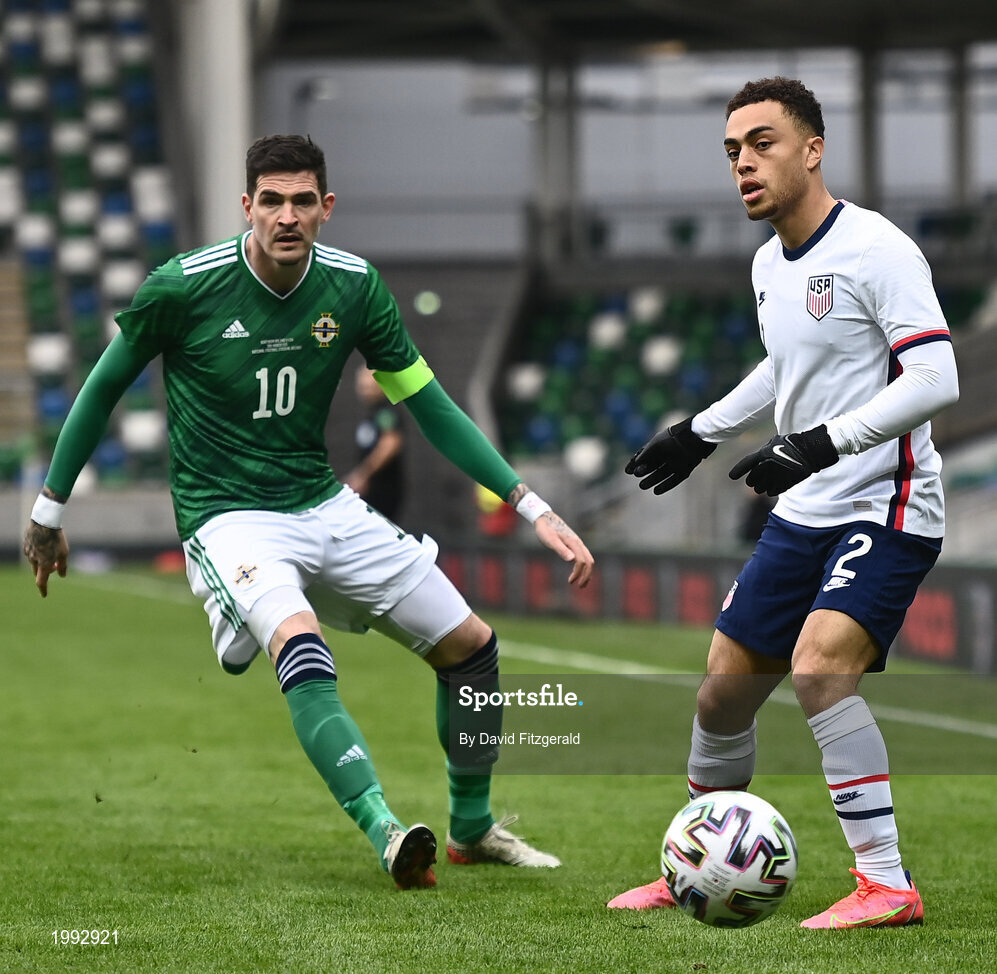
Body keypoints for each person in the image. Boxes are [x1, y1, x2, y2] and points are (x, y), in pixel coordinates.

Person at [23, 134, 594, 891]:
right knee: (302, 644)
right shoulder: (183, 286)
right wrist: (47, 510)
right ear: (246, 208)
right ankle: (385, 829)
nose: (285, 216)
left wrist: (530, 504)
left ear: (325, 209)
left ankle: (471, 828)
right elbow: (99, 390)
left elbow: (427, 402)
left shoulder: (354, 287)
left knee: (472, 649)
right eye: (271, 201)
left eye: (301, 201)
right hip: (228, 518)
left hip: (324, 502)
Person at [607, 78, 958, 928]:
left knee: (817, 669)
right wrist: (699, 430)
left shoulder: (879, 250)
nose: (743, 164)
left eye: (761, 143)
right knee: (719, 697)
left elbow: (937, 377)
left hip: (887, 499)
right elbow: (783, 366)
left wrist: (825, 442)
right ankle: (691, 861)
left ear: (812, 149)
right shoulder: (770, 261)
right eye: (732, 151)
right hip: (805, 508)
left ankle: (886, 884)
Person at [344, 366, 406, 523]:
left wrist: (363, 474)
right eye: (362, 384)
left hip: (384, 491)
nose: (364, 388)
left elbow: (391, 443)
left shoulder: (386, 412)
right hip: (372, 492)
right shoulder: (372, 413)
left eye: (369, 383)